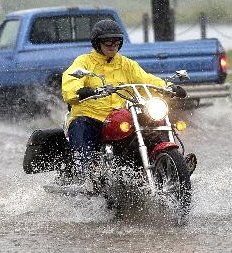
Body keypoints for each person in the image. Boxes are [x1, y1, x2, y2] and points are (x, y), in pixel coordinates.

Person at [61, 19, 186, 183]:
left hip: (118, 116)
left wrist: (168, 87)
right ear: (97, 43)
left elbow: (146, 80)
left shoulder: (126, 64)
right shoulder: (84, 62)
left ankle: (169, 163)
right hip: (91, 116)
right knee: (80, 125)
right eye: (107, 41)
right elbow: (70, 81)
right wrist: (80, 91)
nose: (112, 45)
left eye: (116, 41)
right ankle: (84, 173)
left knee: (150, 123)